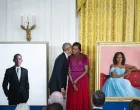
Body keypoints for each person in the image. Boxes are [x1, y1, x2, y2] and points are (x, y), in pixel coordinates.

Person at [66, 42, 90, 110]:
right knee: (73, 97)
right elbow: (68, 71)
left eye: (76, 49)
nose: (74, 51)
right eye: (73, 49)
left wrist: (76, 80)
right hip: (72, 79)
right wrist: (73, 82)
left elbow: (86, 71)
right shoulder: (69, 57)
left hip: (82, 79)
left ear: (80, 49)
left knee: (82, 97)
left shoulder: (84, 57)